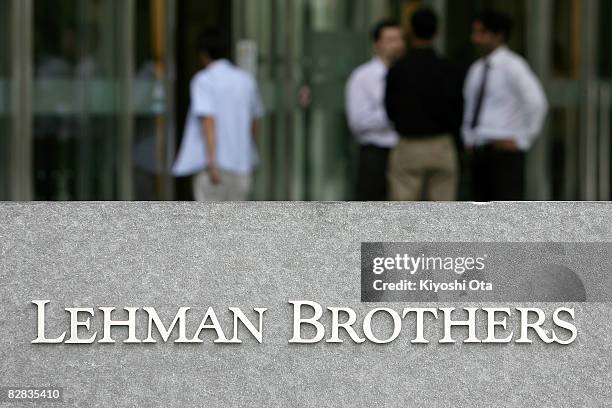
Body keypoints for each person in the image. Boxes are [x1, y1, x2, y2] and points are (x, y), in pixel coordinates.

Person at [462, 10, 548, 201]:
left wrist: (522, 139)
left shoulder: (514, 66)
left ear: (498, 35)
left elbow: (536, 102)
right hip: (480, 148)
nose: (475, 38)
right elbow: (470, 106)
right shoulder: (477, 69)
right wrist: (468, 135)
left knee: (505, 211)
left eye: (480, 33)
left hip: (504, 151)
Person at [173, 29, 264, 201]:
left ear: (203, 53)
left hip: (216, 168)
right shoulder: (246, 80)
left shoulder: (204, 80)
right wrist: (246, 152)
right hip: (242, 165)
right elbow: (253, 122)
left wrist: (211, 162)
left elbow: (208, 121)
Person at [385, 8, 463, 201]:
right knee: (442, 216)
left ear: (410, 31)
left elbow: (390, 109)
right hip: (441, 145)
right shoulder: (449, 69)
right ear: (437, 32)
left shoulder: (398, 70)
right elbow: (459, 109)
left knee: (404, 216)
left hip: (408, 146)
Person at [346, 19, 405, 201]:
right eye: (390, 39)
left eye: (399, 39)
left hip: (404, 152)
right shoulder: (362, 77)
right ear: (377, 44)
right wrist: (394, 115)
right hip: (375, 153)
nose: (396, 45)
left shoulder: (408, 74)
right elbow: (358, 121)